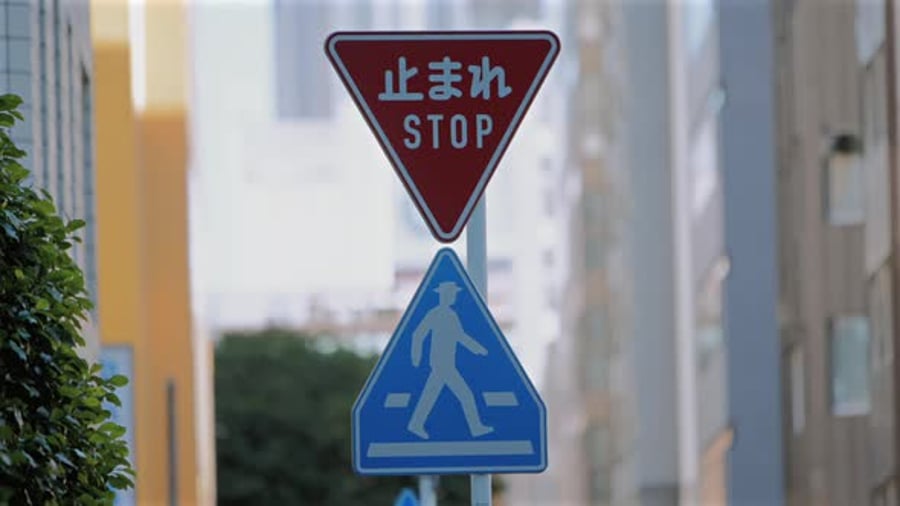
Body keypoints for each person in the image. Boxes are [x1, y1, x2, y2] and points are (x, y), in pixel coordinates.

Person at [407, 281, 494, 440]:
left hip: (446, 363)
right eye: (452, 293)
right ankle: (476, 428)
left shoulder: (451, 315)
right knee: (466, 395)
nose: (454, 296)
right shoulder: (435, 314)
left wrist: (477, 348)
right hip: (441, 364)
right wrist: (415, 357)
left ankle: (415, 424)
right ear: (444, 295)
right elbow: (418, 334)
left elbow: (459, 335)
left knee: (430, 395)